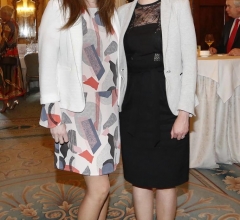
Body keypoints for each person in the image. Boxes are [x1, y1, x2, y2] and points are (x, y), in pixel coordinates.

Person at [38, 0, 120, 219]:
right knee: (99, 189)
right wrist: (54, 116)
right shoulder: (60, 5)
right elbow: (47, 60)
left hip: (108, 110)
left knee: (104, 188)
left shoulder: (109, 8)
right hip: (77, 111)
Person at [117, 0, 198, 219]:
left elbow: (190, 62)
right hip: (133, 104)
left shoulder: (177, 5)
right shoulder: (123, 12)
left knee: (166, 178)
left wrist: (184, 112)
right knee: (139, 177)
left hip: (167, 104)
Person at [0, 6, 25, 113]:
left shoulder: (6, 27)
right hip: (14, 54)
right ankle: (14, 100)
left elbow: (3, 43)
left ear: (5, 14)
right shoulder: (14, 23)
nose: (0, 15)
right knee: (14, 77)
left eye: (1, 13)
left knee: (4, 79)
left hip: (6, 56)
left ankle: (5, 104)